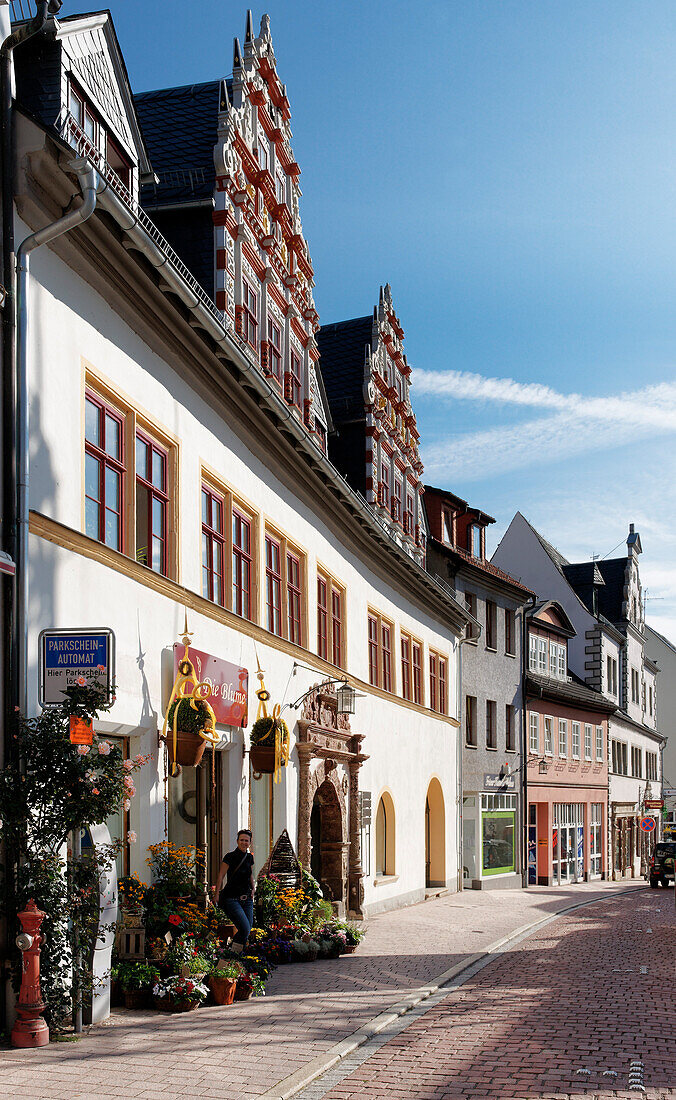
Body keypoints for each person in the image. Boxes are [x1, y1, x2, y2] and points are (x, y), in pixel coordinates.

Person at [213, 829, 255, 953]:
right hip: (232, 899)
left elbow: (250, 875)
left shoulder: (249, 857)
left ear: (250, 842)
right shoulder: (230, 857)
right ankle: (232, 952)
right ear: (237, 841)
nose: (244, 842)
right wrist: (216, 895)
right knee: (245, 928)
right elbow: (221, 875)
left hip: (247, 898)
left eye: (246, 840)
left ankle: (234, 954)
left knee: (246, 929)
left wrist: (253, 888)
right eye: (241, 840)